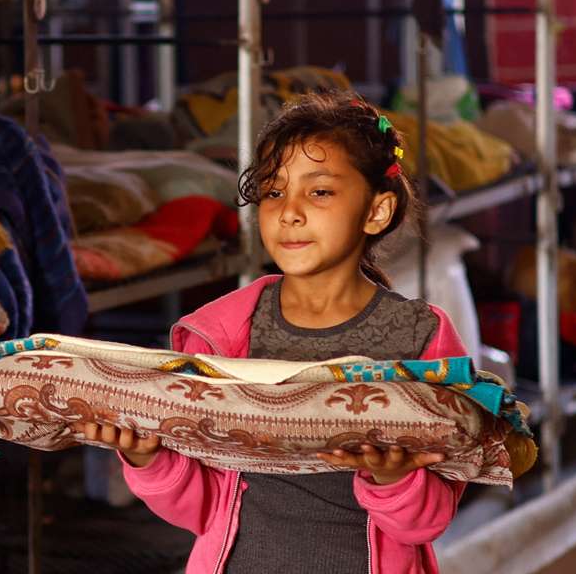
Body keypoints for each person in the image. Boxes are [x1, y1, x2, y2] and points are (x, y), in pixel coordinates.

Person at [74, 91, 467, 573]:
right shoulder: (221, 334)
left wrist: (394, 480)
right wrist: (147, 459)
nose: (289, 212)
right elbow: (202, 508)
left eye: (319, 191)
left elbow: (427, 521)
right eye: (273, 191)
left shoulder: (419, 339)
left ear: (376, 212)